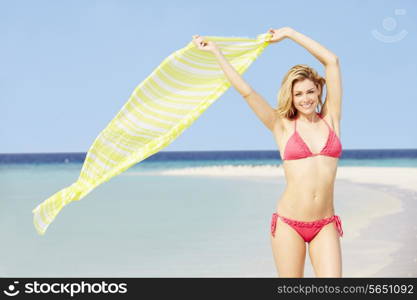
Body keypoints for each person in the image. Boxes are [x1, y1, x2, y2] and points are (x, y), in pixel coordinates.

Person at [192, 26, 344, 278]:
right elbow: (247, 92)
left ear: (319, 90)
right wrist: (217, 53)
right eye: (298, 94)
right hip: (289, 225)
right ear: (291, 97)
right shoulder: (281, 126)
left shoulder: (331, 119)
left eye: (309, 91)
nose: (305, 98)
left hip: (325, 223)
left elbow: (332, 61)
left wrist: (290, 34)